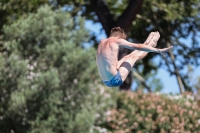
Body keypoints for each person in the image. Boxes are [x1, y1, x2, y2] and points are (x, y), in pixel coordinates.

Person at [96, 27, 173, 87]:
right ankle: (151, 44)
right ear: (119, 37)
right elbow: (138, 47)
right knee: (133, 57)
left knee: (126, 57)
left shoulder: (102, 42)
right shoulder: (117, 40)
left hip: (105, 80)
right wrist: (158, 50)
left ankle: (147, 43)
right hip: (115, 79)